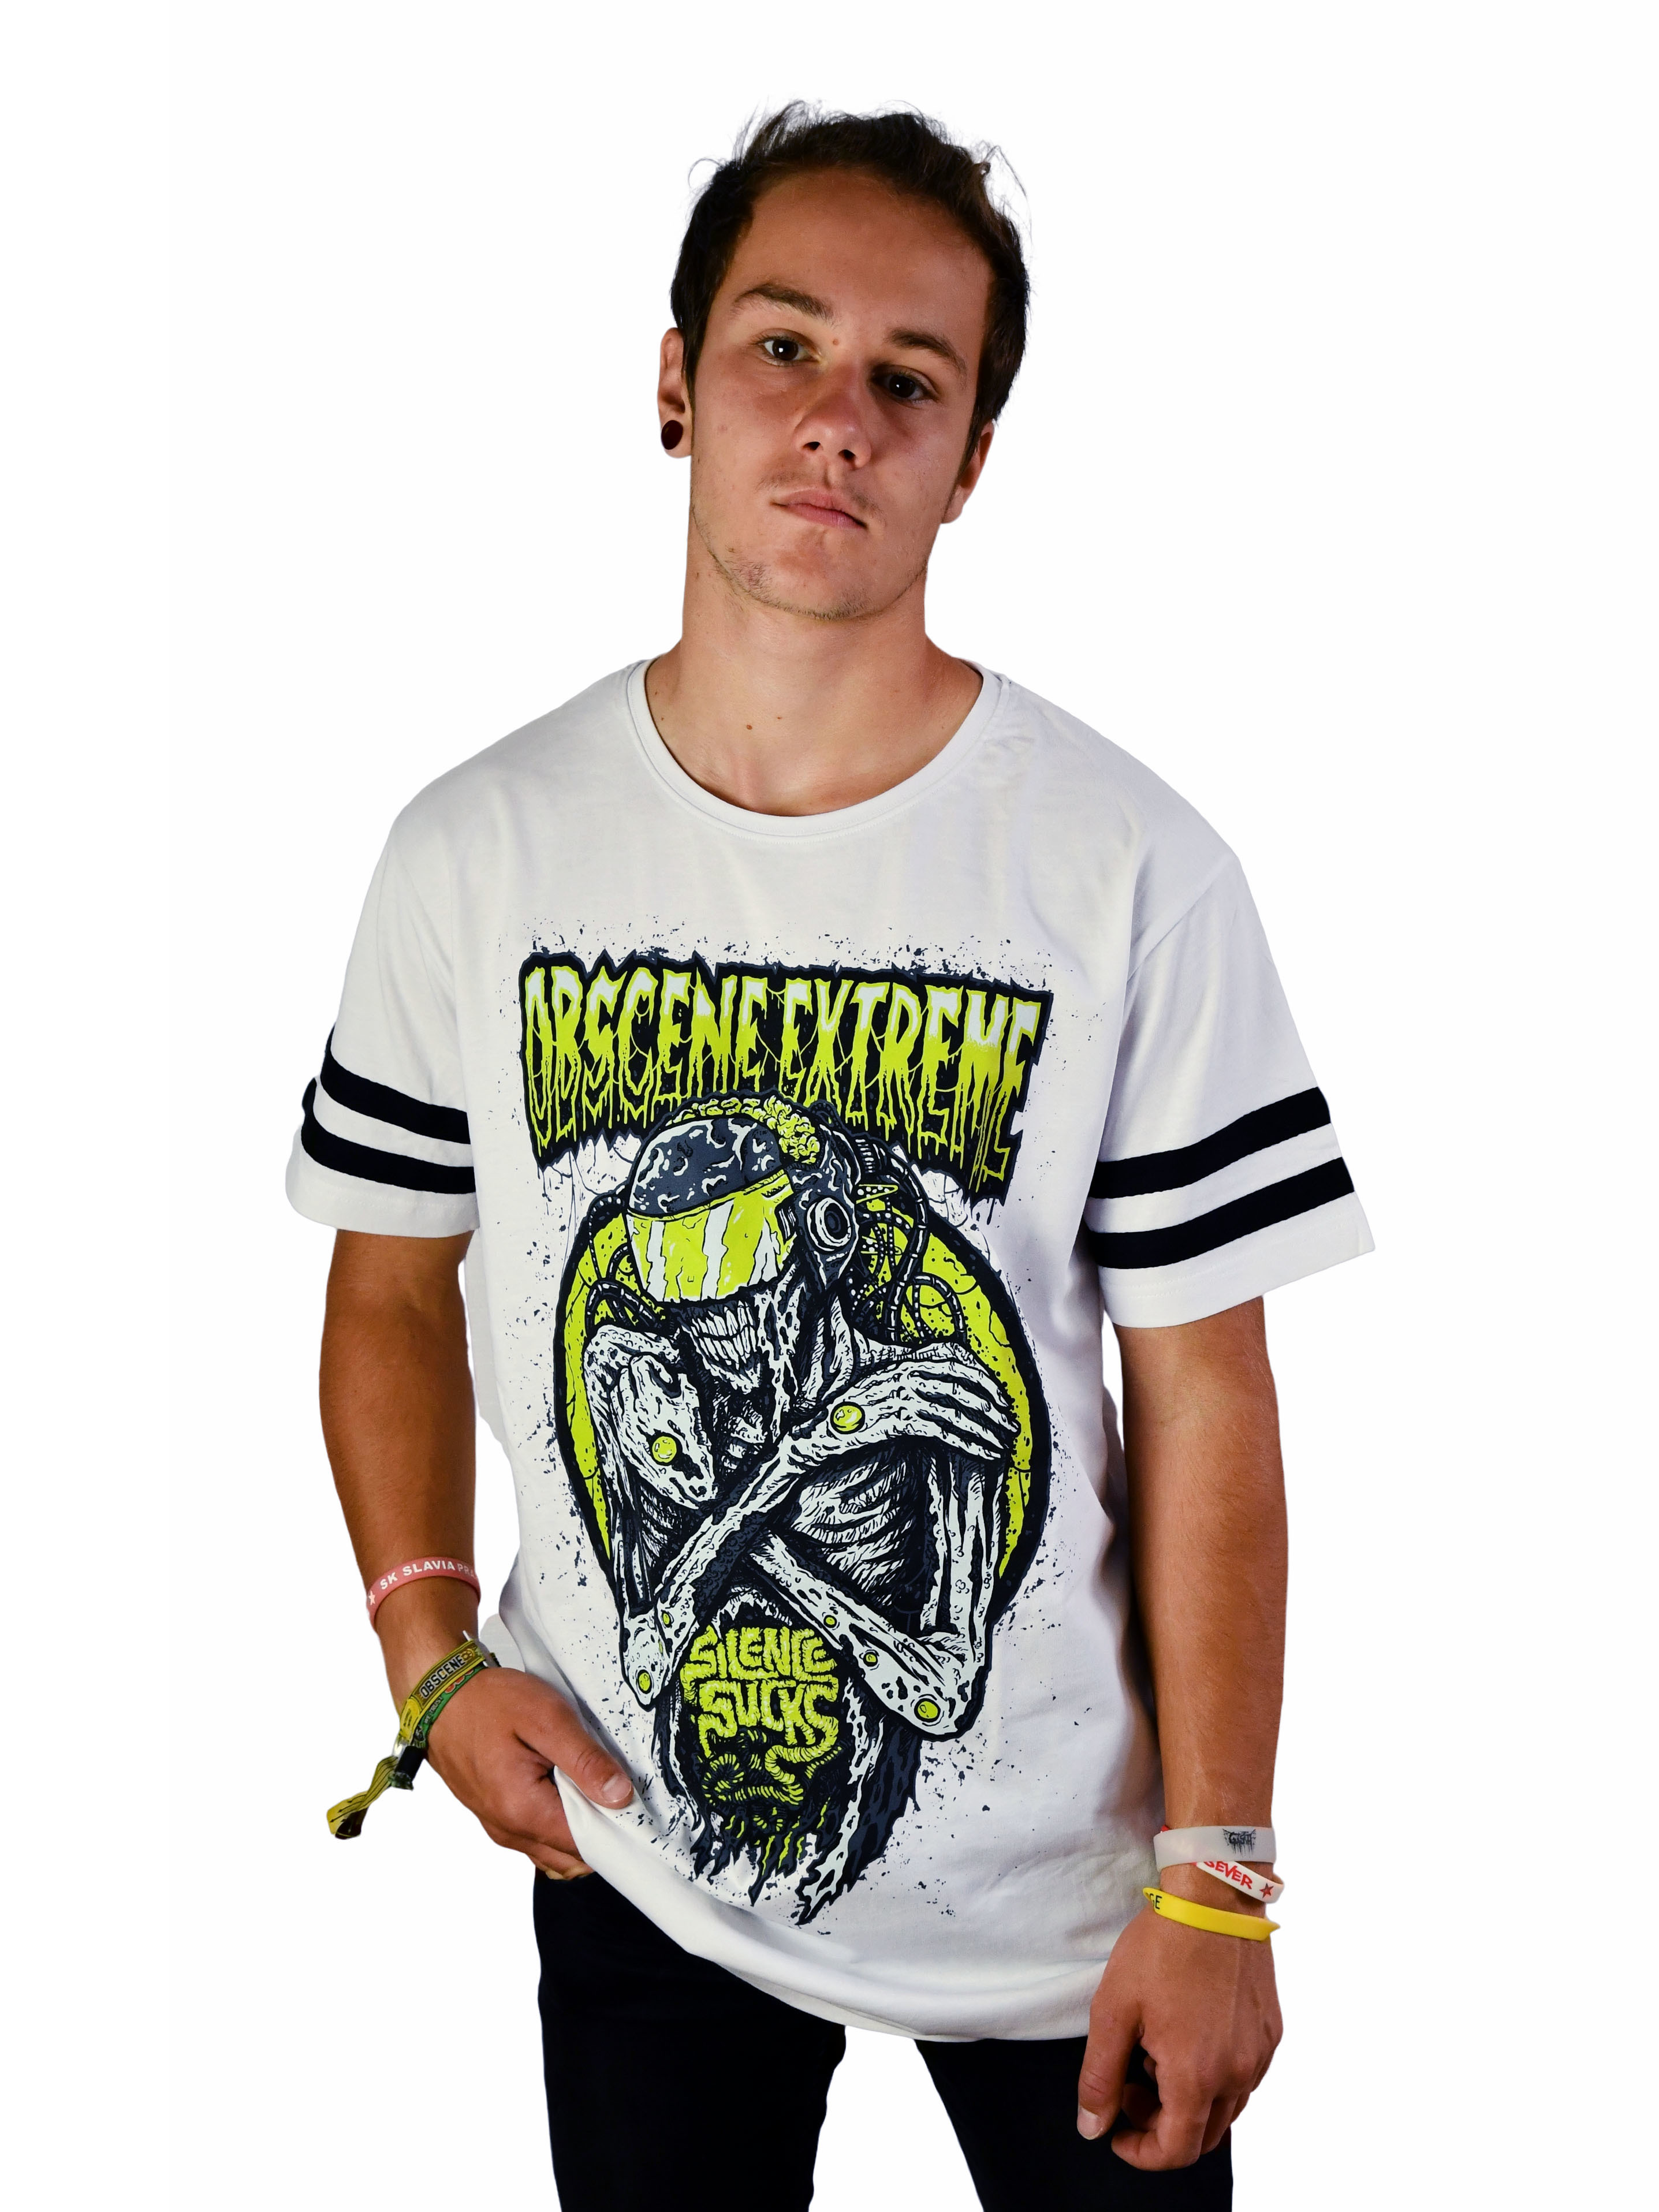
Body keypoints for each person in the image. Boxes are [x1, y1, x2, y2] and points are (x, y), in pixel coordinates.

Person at [288, 104, 1371, 2212]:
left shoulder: (1124, 866)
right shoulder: (476, 850)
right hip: (638, 1843)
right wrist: (429, 1656)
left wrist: (1218, 1874)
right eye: (782, 347)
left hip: (1079, 1901)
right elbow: (391, 1279)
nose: (836, 422)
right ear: (676, 381)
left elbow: (1205, 1396)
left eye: (908, 379)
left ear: (970, 458)